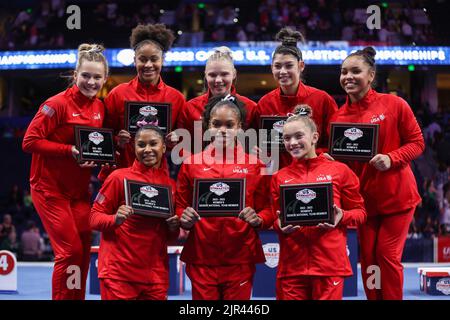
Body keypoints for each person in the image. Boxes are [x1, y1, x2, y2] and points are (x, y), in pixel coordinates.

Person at [330, 47, 425, 300]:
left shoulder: (395, 104)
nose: (348, 76)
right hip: (365, 203)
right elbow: (344, 165)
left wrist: (392, 158)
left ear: (371, 75)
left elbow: (417, 143)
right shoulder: (337, 117)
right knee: (369, 258)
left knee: (387, 255)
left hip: (398, 197)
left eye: (355, 71)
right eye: (343, 72)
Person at [22, 43, 108, 299]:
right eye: (85, 76)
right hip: (49, 190)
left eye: (96, 77)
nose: (90, 82)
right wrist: (69, 150)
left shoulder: (100, 109)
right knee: (68, 252)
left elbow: (91, 148)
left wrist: (92, 159)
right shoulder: (56, 104)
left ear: (105, 79)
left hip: (79, 193)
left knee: (82, 251)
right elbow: (29, 142)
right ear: (75, 75)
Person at [176, 95, 274, 300]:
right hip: (202, 256)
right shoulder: (190, 163)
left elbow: (268, 209)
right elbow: (180, 206)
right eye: (216, 124)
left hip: (240, 257)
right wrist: (184, 218)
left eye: (229, 125)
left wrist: (259, 219)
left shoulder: (256, 164)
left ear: (240, 128)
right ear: (207, 126)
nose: (222, 130)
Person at [271, 105, 366, 300]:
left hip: (329, 266)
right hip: (292, 267)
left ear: (314, 137)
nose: (293, 143)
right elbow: (277, 219)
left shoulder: (340, 171)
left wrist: (343, 216)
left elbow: (361, 213)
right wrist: (279, 225)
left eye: (299, 136)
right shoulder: (279, 177)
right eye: (287, 138)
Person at [90, 125, 180, 300]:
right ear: (133, 148)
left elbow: (169, 237)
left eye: (153, 143)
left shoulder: (170, 186)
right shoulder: (117, 177)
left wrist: (173, 227)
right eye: (141, 145)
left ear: (163, 147)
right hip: (119, 275)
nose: (147, 149)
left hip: (155, 277)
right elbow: (94, 217)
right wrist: (115, 219)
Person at [99, 23, 186, 181]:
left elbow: (182, 148)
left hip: (156, 177)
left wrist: (175, 142)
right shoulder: (117, 94)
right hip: (119, 174)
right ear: (134, 60)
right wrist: (118, 141)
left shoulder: (177, 98)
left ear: (162, 60)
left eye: (154, 59)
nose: (148, 65)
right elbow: (102, 136)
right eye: (142, 59)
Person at [255, 27, 338, 170]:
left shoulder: (322, 99)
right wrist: (255, 151)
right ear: (272, 68)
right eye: (278, 66)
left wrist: (321, 154)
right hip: (277, 175)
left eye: (289, 66)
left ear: (301, 66)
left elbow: (335, 142)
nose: (283, 71)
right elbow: (258, 142)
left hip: (313, 174)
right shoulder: (265, 103)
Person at [177, 46, 257, 155]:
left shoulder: (250, 107)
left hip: (238, 170)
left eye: (224, 74)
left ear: (234, 74)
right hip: (201, 170)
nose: (218, 80)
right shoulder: (190, 108)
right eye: (212, 75)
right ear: (205, 75)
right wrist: (197, 167)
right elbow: (182, 147)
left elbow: (256, 145)